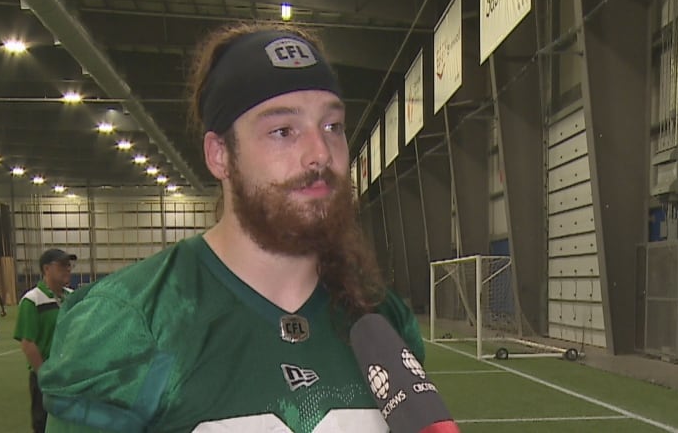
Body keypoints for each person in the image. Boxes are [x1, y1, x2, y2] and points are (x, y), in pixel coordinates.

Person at [38, 23, 424, 433]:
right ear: (219, 154)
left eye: (333, 127)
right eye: (282, 131)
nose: (320, 154)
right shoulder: (131, 325)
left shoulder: (381, 320)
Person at [14, 249, 77, 433]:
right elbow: (28, 343)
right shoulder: (32, 300)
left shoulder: (72, 297)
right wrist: (45, 375)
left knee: (69, 424)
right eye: (62, 265)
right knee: (44, 424)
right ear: (46, 269)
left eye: (69, 265)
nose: (68, 269)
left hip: (70, 375)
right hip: (46, 376)